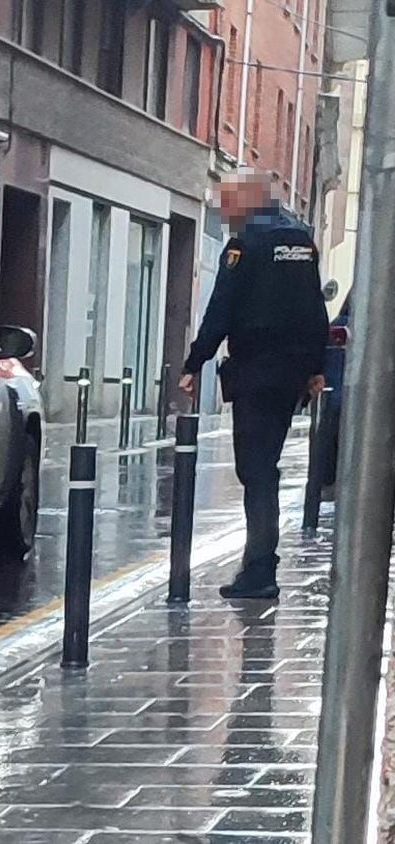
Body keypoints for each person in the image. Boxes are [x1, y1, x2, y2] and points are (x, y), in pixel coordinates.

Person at [180, 171, 329, 600]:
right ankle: (259, 563)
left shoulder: (246, 244)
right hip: (292, 375)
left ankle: (261, 569)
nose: (226, 211)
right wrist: (315, 367)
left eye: (229, 201)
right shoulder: (301, 240)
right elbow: (314, 306)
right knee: (268, 466)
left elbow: (221, 309)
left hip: (256, 370)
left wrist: (195, 362)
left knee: (256, 471)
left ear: (247, 201)